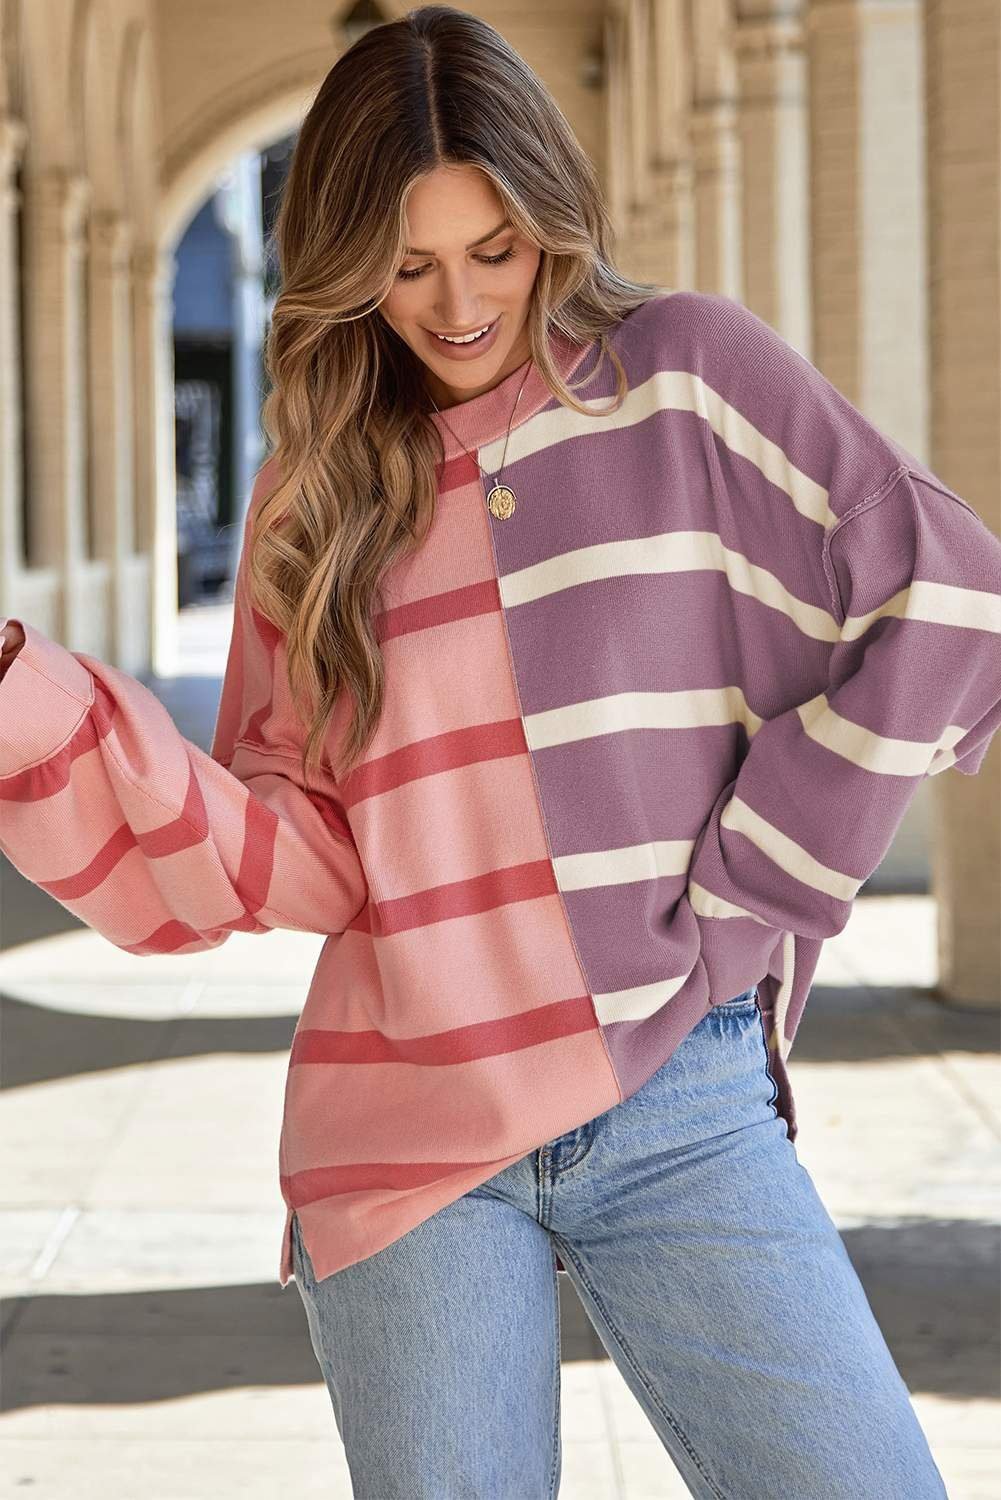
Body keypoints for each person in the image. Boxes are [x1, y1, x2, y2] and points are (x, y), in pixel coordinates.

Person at [2, 5, 999, 1495]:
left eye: (496, 249)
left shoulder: (681, 377)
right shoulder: (313, 489)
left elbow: (951, 598)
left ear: (552, 221)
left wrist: (752, 896)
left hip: (678, 1098)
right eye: (406, 265)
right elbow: (306, 847)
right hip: (402, 1132)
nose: (459, 303)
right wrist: (39, 709)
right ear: (343, 262)